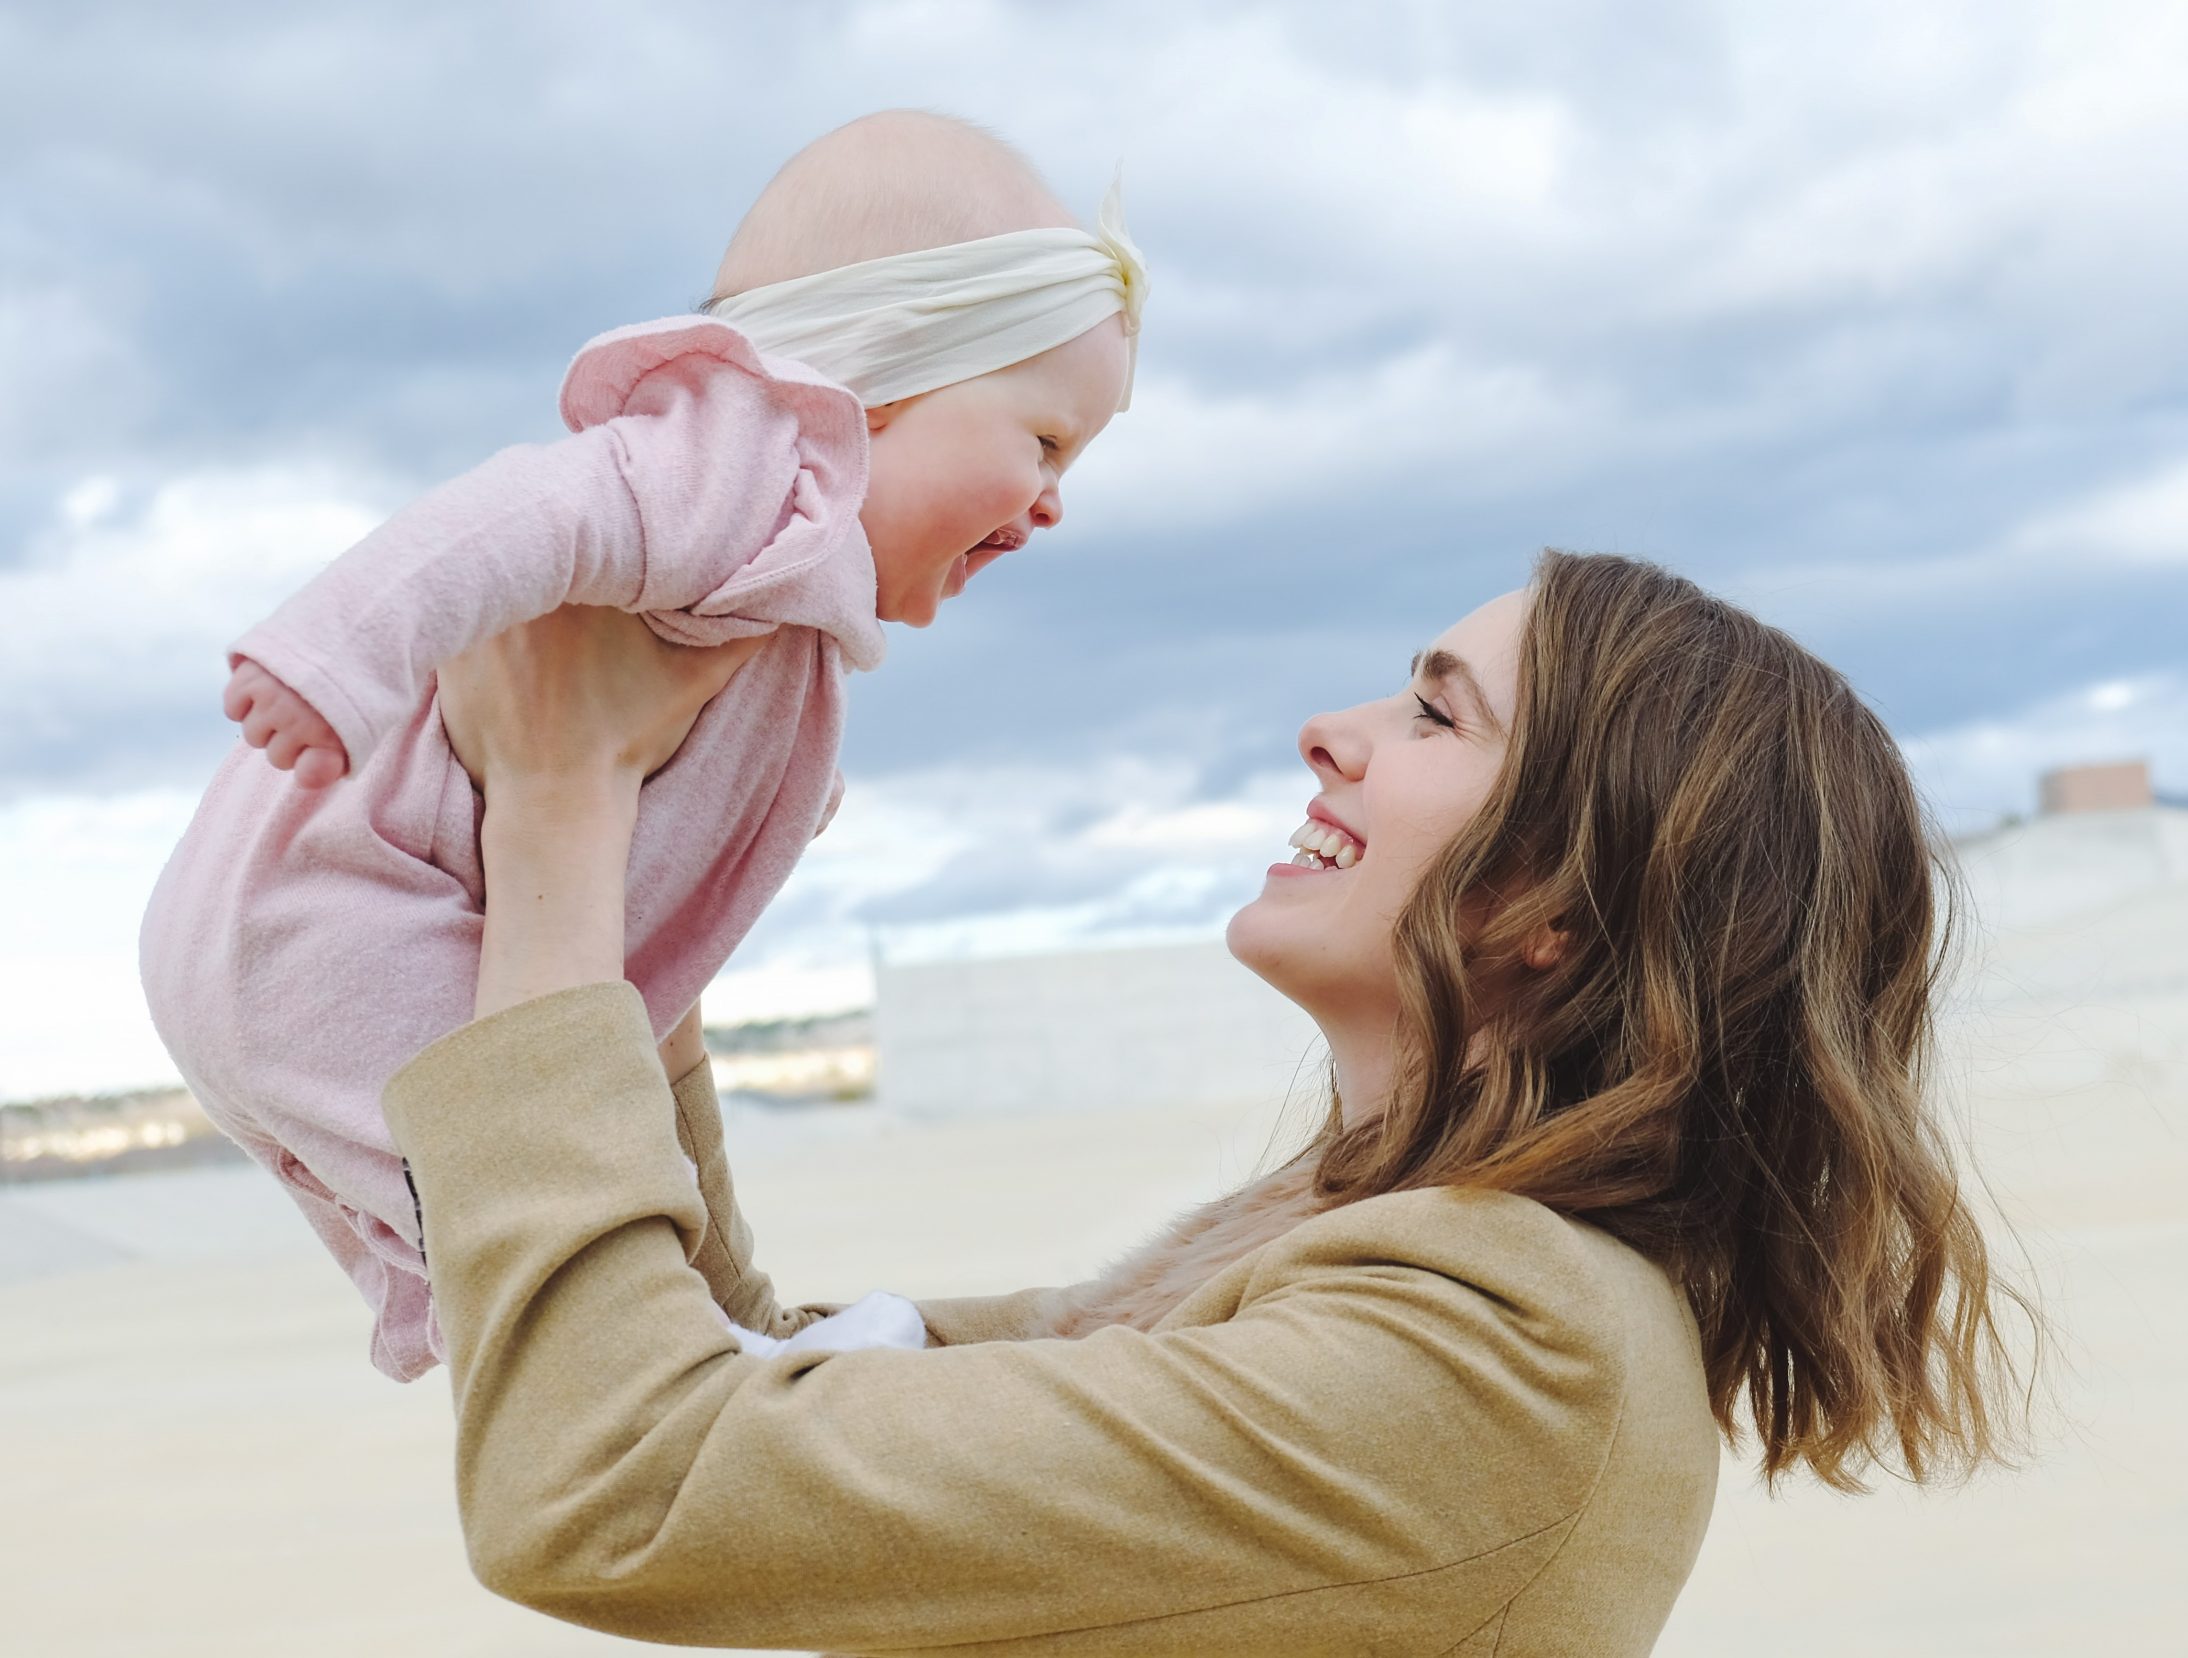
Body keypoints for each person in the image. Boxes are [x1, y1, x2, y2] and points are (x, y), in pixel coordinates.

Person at [386, 547, 2041, 1653]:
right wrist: (657, 875)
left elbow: (615, 1477)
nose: (1330, 733)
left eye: (1434, 712)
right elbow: (780, 1392)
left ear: (1563, 906)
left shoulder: (1493, 1349)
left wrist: (555, 812)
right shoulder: (1373, 1256)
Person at [136, 112, 1144, 1379]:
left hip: (303, 944)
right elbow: (523, 511)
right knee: (525, 1178)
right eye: (1044, 442)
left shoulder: (790, 591)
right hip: (330, 921)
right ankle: (668, 1358)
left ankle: (519, 1316)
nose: (1054, 501)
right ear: (882, 378)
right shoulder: (739, 465)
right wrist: (332, 658)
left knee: (518, 1163)